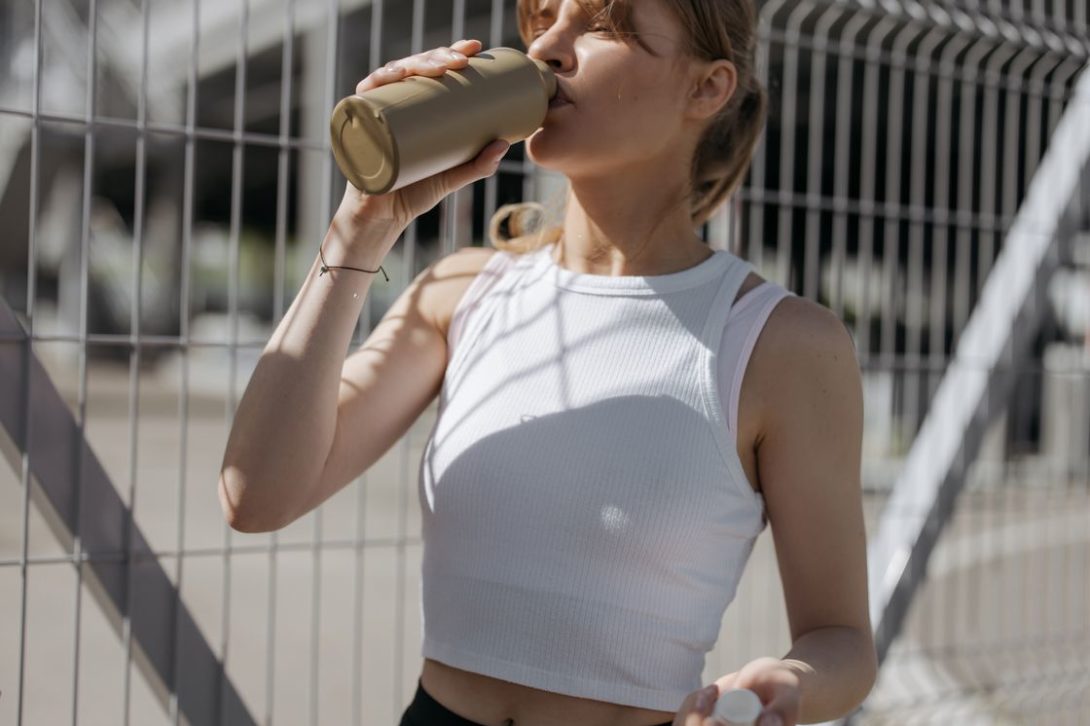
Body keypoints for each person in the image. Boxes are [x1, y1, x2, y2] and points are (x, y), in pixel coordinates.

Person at [219, 0, 878, 724]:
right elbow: (255, 495)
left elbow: (841, 639)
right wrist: (360, 225)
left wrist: (784, 686)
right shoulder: (461, 292)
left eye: (599, 25)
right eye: (543, 18)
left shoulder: (781, 345)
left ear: (707, 88)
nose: (549, 50)